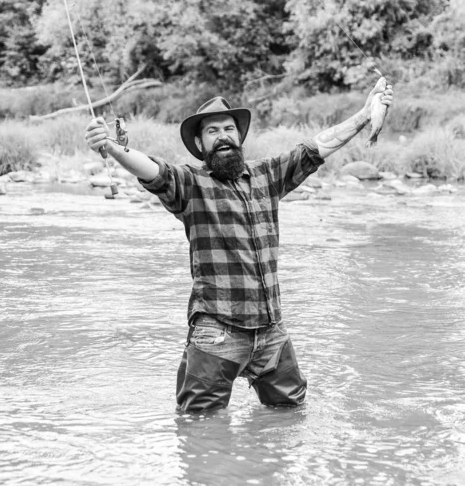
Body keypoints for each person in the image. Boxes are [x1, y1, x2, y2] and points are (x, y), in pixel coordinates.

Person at [85, 79, 393, 413]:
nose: (223, 137)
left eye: (229, 129)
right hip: (217, 333)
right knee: (200, 428)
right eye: (212, 132)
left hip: (271, 331)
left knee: (290, 416)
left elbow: (317, 148)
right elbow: (155, 171)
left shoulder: (268, 175)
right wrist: (115, 149)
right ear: (201, 146)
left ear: (240, 137)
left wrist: (364, 115)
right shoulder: (191, 184)